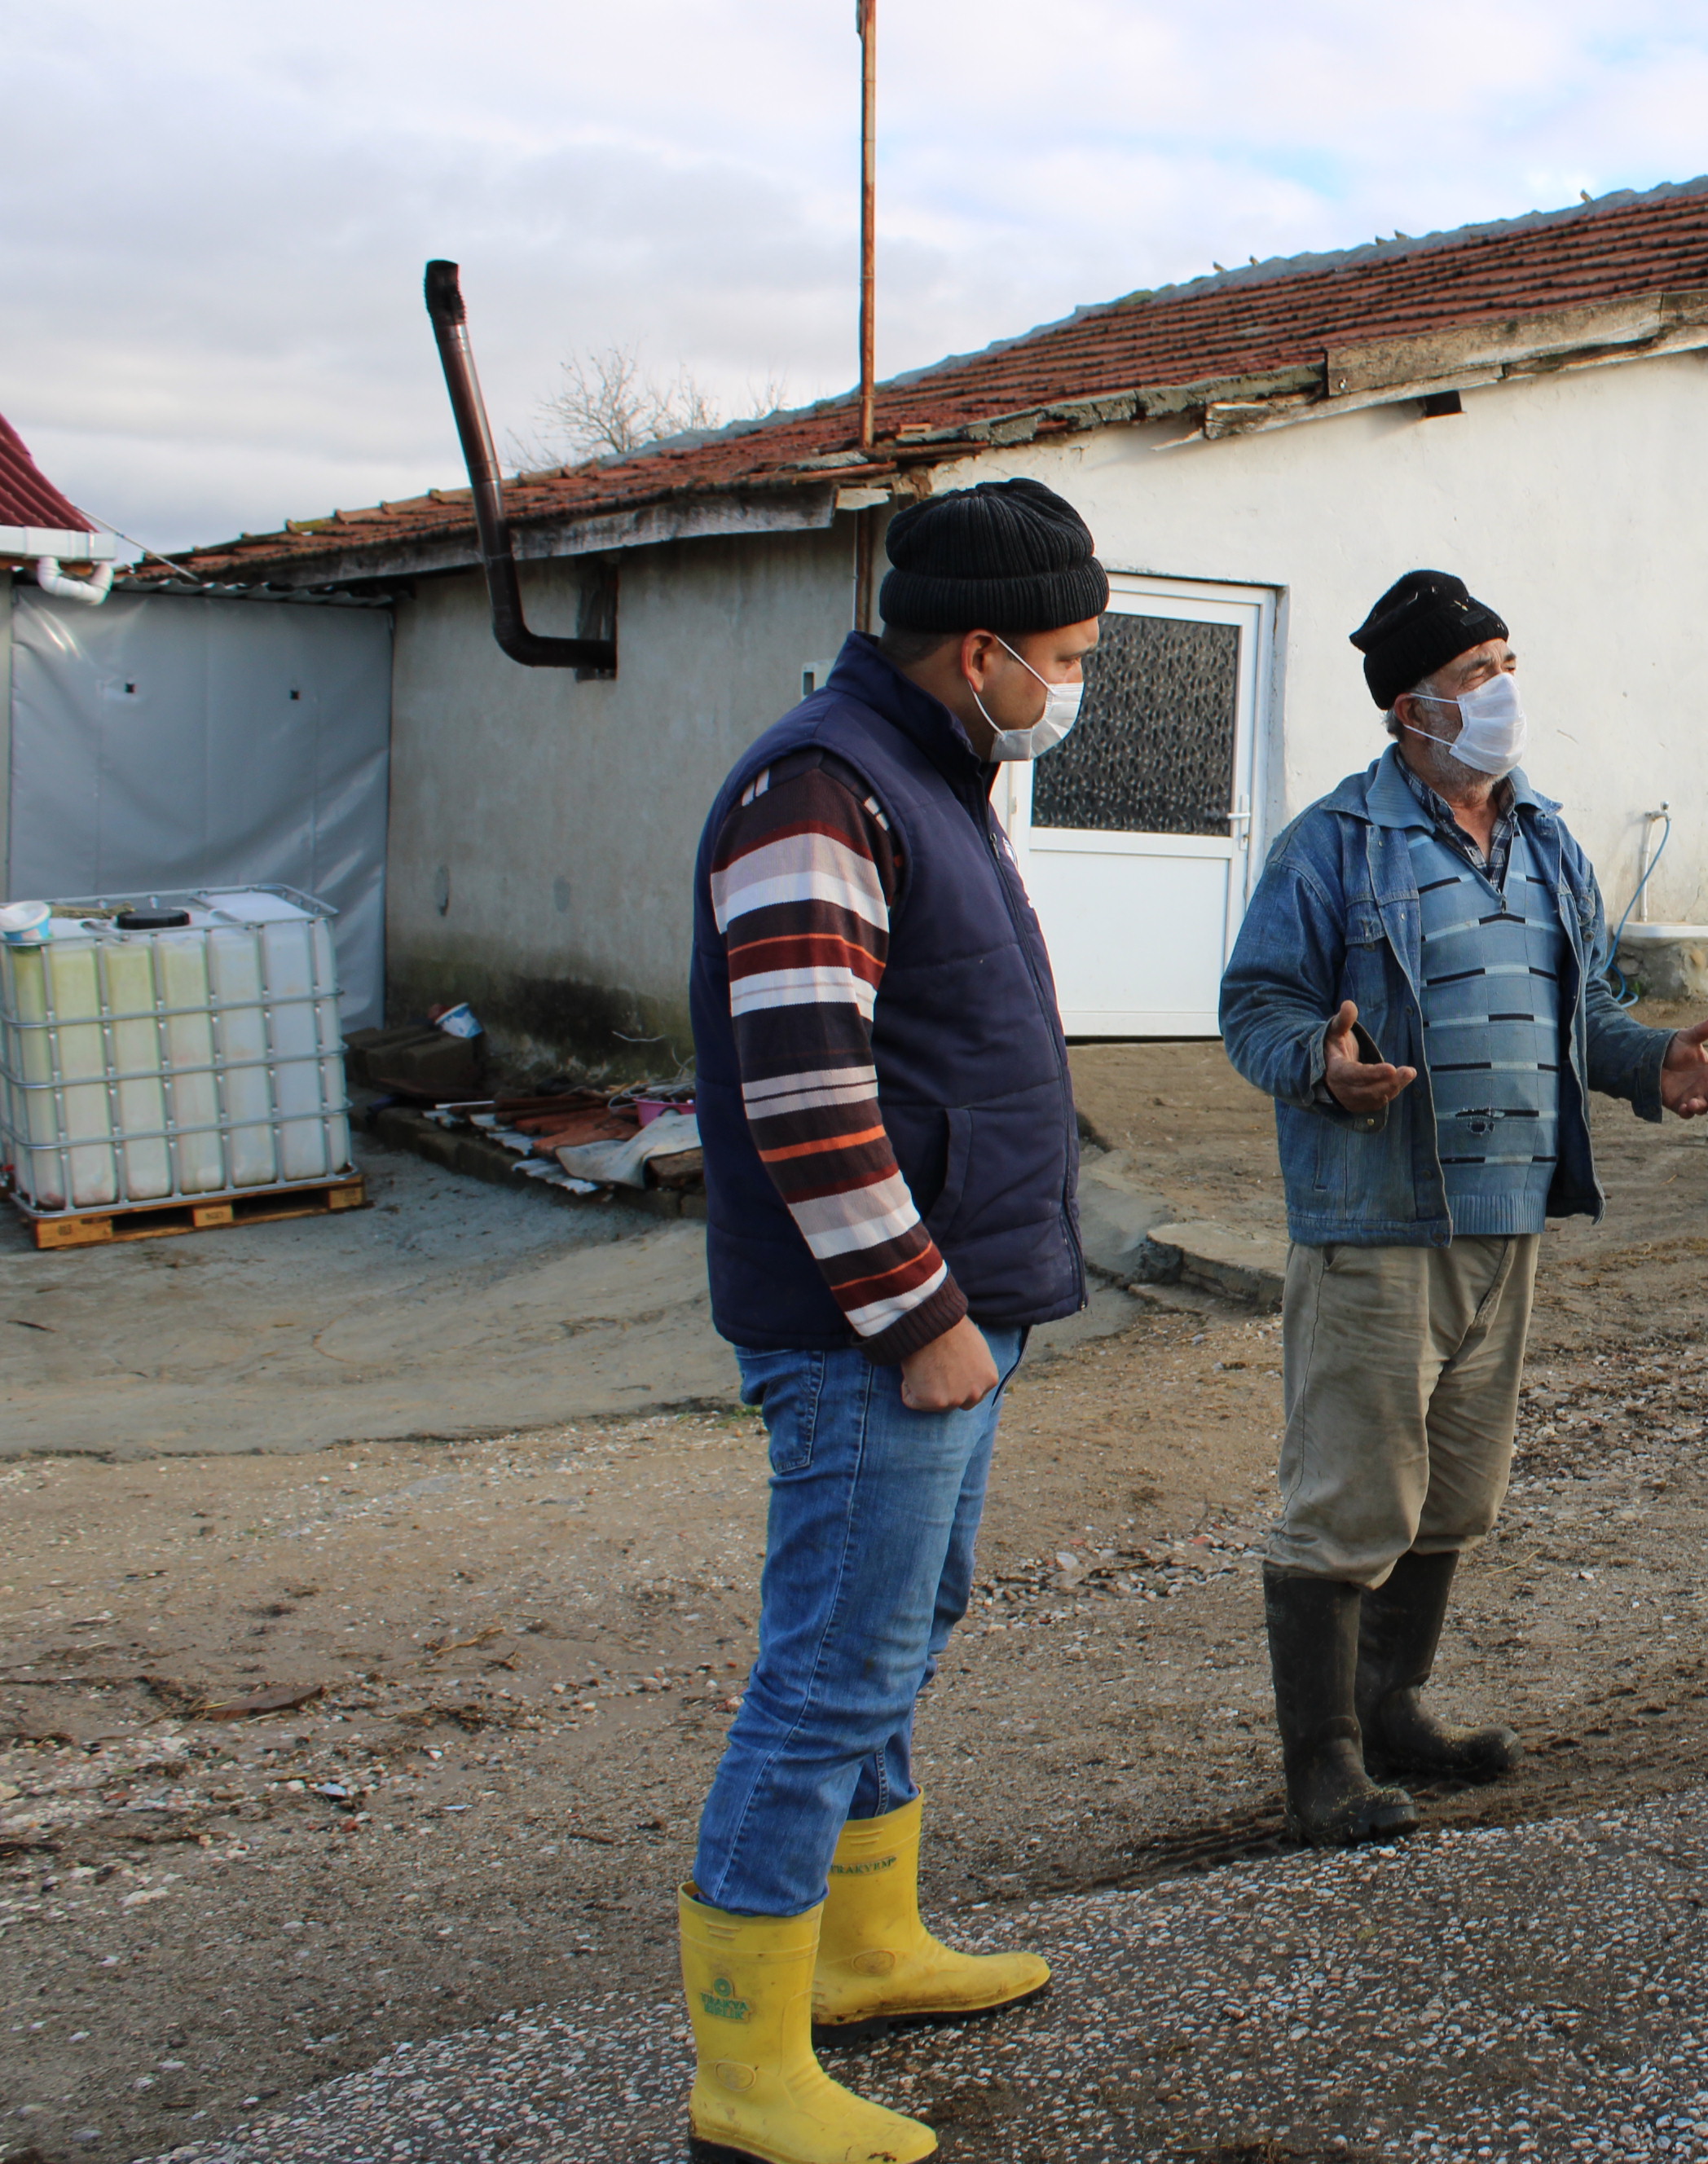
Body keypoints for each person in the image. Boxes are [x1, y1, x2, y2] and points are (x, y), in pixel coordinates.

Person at [675, 477, 1105, 2164]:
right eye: (1061, 659)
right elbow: (803, 1088)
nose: (1069, 691)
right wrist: (919, 1310)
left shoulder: (931, 775)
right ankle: (744, 2068)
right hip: (878, 1328)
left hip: (952, 1304)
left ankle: (863, 1946)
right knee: (827, 1670)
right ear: (979, 649)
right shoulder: (820, 790)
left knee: (903, 1621)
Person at [1218, 569, 1708, 1845]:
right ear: (1412, 710)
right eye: (1474, 676)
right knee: (1350, 1492)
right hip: (1377, 1222)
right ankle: (1324, 1763)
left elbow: (1586, 1014)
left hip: (1508, 1217)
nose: (1503, 693)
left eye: (1508, 664)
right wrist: (1324, 1070)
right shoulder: (1335, 843)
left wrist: (1648, 1061)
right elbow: (1256, 1008)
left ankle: (1394, 1711)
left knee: (1456, 1489)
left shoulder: (1549, 838)